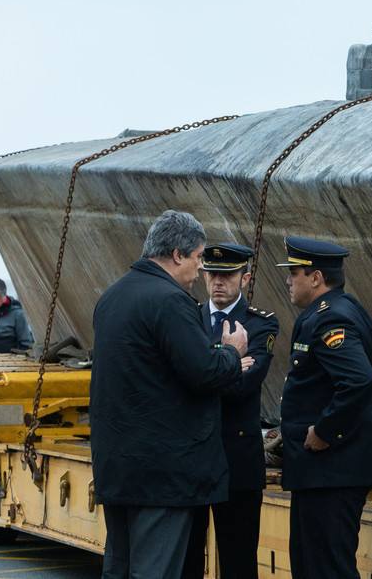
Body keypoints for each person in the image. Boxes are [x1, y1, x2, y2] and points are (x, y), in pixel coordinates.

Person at [90, 210, 250, 579]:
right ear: (177, 255)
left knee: (119, 568)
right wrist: (231, 352)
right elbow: (203, 371)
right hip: (161, 475)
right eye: (198, 259)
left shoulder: (112, 296)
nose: (199, 271)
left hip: (119, 465)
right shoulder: (170, 300)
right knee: (154, 572)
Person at [277, 236, 372, 578]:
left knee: (326, 569)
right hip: (326, 472)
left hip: (330, 471)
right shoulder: (347, 307)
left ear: (315, 278)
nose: (288, 281)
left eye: (294, 273)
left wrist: (327, 432)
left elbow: (361, 381)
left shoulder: (330, 320)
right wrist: (364, 430)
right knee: (310, 563)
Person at [182, 243, 278, 579]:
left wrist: (200, 375)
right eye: (212, 274)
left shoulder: (260, 324)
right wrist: (230, 360)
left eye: (228, 275)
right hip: (191, 459)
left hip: (237, 461)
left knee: (238, 562)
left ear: (245, 277)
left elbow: (242, 387)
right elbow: (177, 383)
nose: (218, 281)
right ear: (203, 274)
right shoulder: (187, 317)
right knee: (186, 561)